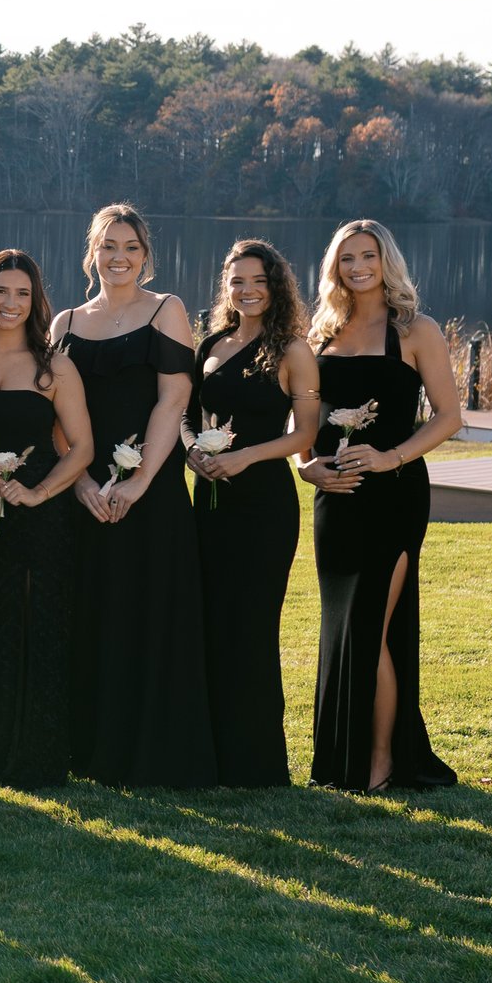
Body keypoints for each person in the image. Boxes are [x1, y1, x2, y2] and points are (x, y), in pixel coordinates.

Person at [53, 203, 217, 787]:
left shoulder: (166, 311)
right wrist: (83, 485)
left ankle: (149, 750)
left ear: (146, 257)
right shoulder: (65, 324)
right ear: (91, 254)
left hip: (153, 493)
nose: (118, 257)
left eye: (129, 247)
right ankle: (90, 748)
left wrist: (141, 481)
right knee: (93, 612)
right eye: (107, 246)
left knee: (147, 612)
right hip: (87, 491)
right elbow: (57, 420)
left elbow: (173, 401)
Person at [302, 219, 462, 792]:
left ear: (385, 260)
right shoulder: (323, 331)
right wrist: (306, 466)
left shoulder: (416, 330)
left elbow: (448, 418)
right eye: (346, 259)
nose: (357, 267)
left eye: (367, 256)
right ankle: (343, 757)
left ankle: (380, 762)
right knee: (345, 626)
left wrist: (390, 458)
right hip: (334, 501)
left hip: (393, 498)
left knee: (373, 625)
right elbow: (300, 422)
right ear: (333, 268)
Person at [0, 250, 92, 788]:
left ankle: (36, 756)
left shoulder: (53, 365)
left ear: (35, 301)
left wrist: (39, 493)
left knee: (37, 625)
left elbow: (82, 448)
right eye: (0, 292)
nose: (10, 304)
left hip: (40, 514)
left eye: (22, 294)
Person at [189, 238, 320, 787]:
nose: (246, 291)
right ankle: (211, 753)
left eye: (257, 281)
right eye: (237, 281)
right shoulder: (211, 346)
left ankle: (257, 763)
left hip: (264, 502)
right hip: (211, 502)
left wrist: (244, 457)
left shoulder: (291, 350)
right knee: (211, 623)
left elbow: (307, 434)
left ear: (276, 286)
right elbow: (188, 418)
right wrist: (193, 450)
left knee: (252, 626)